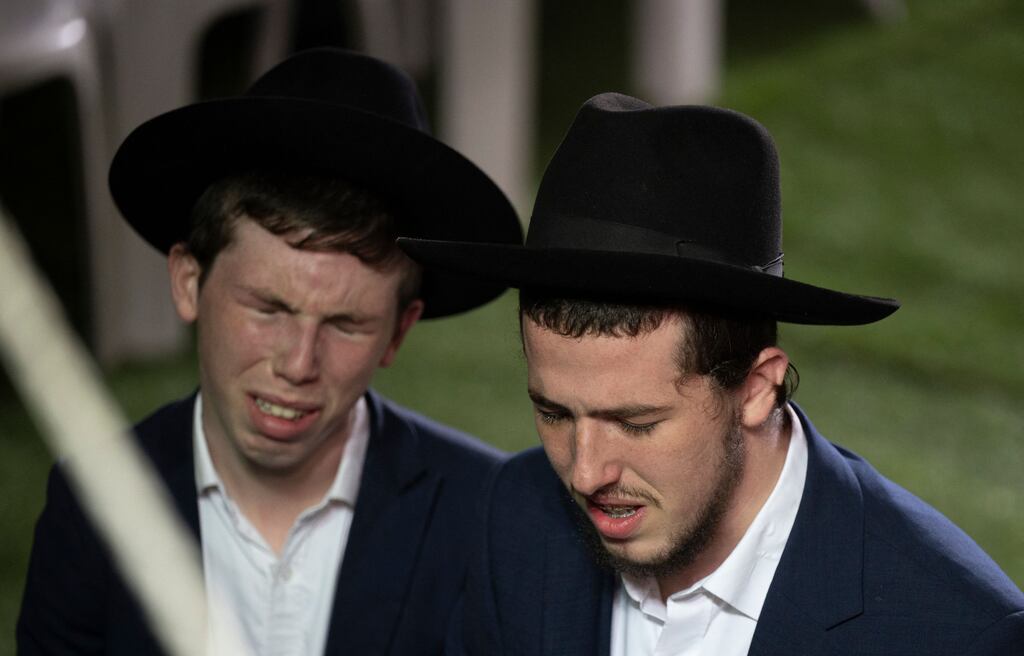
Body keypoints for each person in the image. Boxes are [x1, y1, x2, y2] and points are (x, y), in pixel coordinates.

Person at [399, 93, 1024, 655]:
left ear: (757, 389)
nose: (586, 472)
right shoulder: (514, 518)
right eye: (555, 413)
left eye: (636, 423)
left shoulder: (951, 632)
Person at [17, 48, 522, 655]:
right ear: (188, 282)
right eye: (268, 309)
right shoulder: (95, 506)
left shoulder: (488, 517)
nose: (298, 364)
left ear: (398, 332)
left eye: (346, 324)